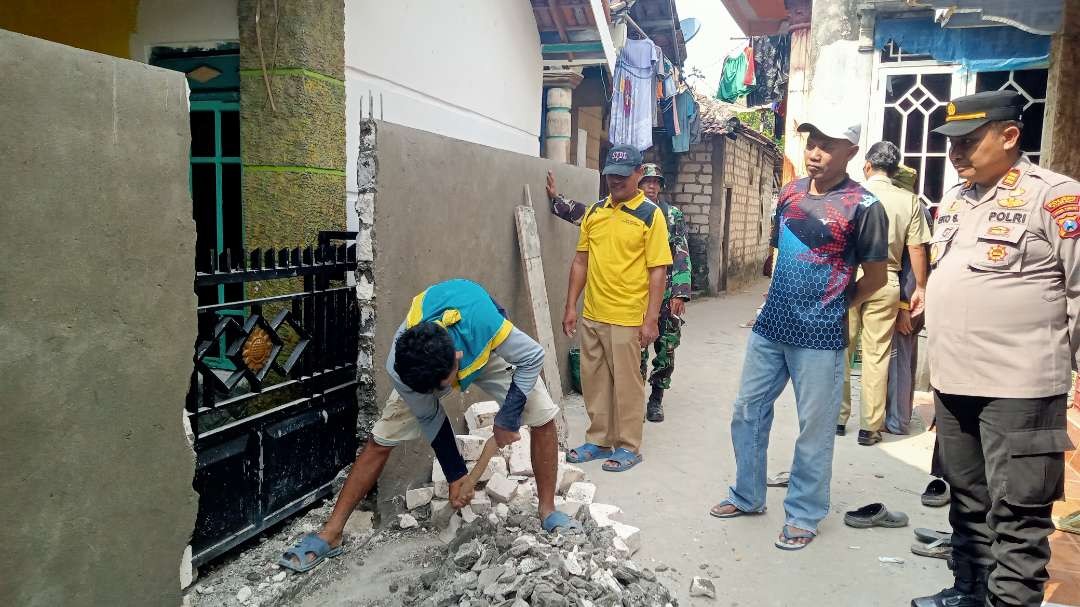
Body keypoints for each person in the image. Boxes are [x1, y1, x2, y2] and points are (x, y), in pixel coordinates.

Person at [279, 279, 574, 572]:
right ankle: (331, 533)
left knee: (542, 414)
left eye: (443, 387)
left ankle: (547, 510)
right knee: (381, 439)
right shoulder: (402, 364)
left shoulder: (485, 325)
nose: (442, 394)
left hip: (485, 351)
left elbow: (534, 355)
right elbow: (431, 416)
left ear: (457, 358)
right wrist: (457, 474)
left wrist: (508, 417)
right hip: (431, 371)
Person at [913, 90, 1078, 607]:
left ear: (1009, 136)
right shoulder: (958, 199)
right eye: (950, 143)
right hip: (954, 382)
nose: (955, 153)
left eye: (968, 141)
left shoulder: (1055, 197)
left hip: (1020, 387)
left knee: (1018, 512)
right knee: (966, 501)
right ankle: (970, 593)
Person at [709, 114, 889, 551]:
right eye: (812, 141)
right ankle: (748, 495)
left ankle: (805, 513)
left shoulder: (864, 207)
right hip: (770, 327)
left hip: (821, 337)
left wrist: (835, 305)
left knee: (815, 427)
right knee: (747, 410)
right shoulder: (788, 194)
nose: (815, 151)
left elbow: (877, 278)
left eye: (828, 143)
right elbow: (778, 256)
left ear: (851, 151)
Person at [546, 163, 691, 422]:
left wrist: (680, 292)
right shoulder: (617, 210)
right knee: (638, 352)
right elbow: (586, 214)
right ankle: (634, 401)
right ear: (637, 182)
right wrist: (557, 201)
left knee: (666, 347)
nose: (652, 187)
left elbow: (680, 252)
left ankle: (657, 396)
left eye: (657, 183)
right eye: (648, 181)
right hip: (637, 296)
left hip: (666, 295)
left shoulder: (671, 215)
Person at [561, 145, 672, 472]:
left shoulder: (651, 215)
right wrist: (571, 306)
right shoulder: (595, 212)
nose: (615, 181)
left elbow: (658, 270)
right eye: (611, 174)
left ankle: (629, 446)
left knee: (627, 385)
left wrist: (651, 319)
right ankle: (598, 440)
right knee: (594, 382)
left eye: (623, 175)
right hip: (593, 313)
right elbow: (581, 261)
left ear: (639, 174)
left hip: (627, 317)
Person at [838, 141, 930, 444]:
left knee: (842, 350)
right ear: (895, 170)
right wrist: (921, 286)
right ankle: (870, 428)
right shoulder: (910, 201)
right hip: (887, 280)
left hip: (850, 279)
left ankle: (838, 420)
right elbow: (916, 247)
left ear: (867, 166)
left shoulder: (851, 194)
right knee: (877, 355)